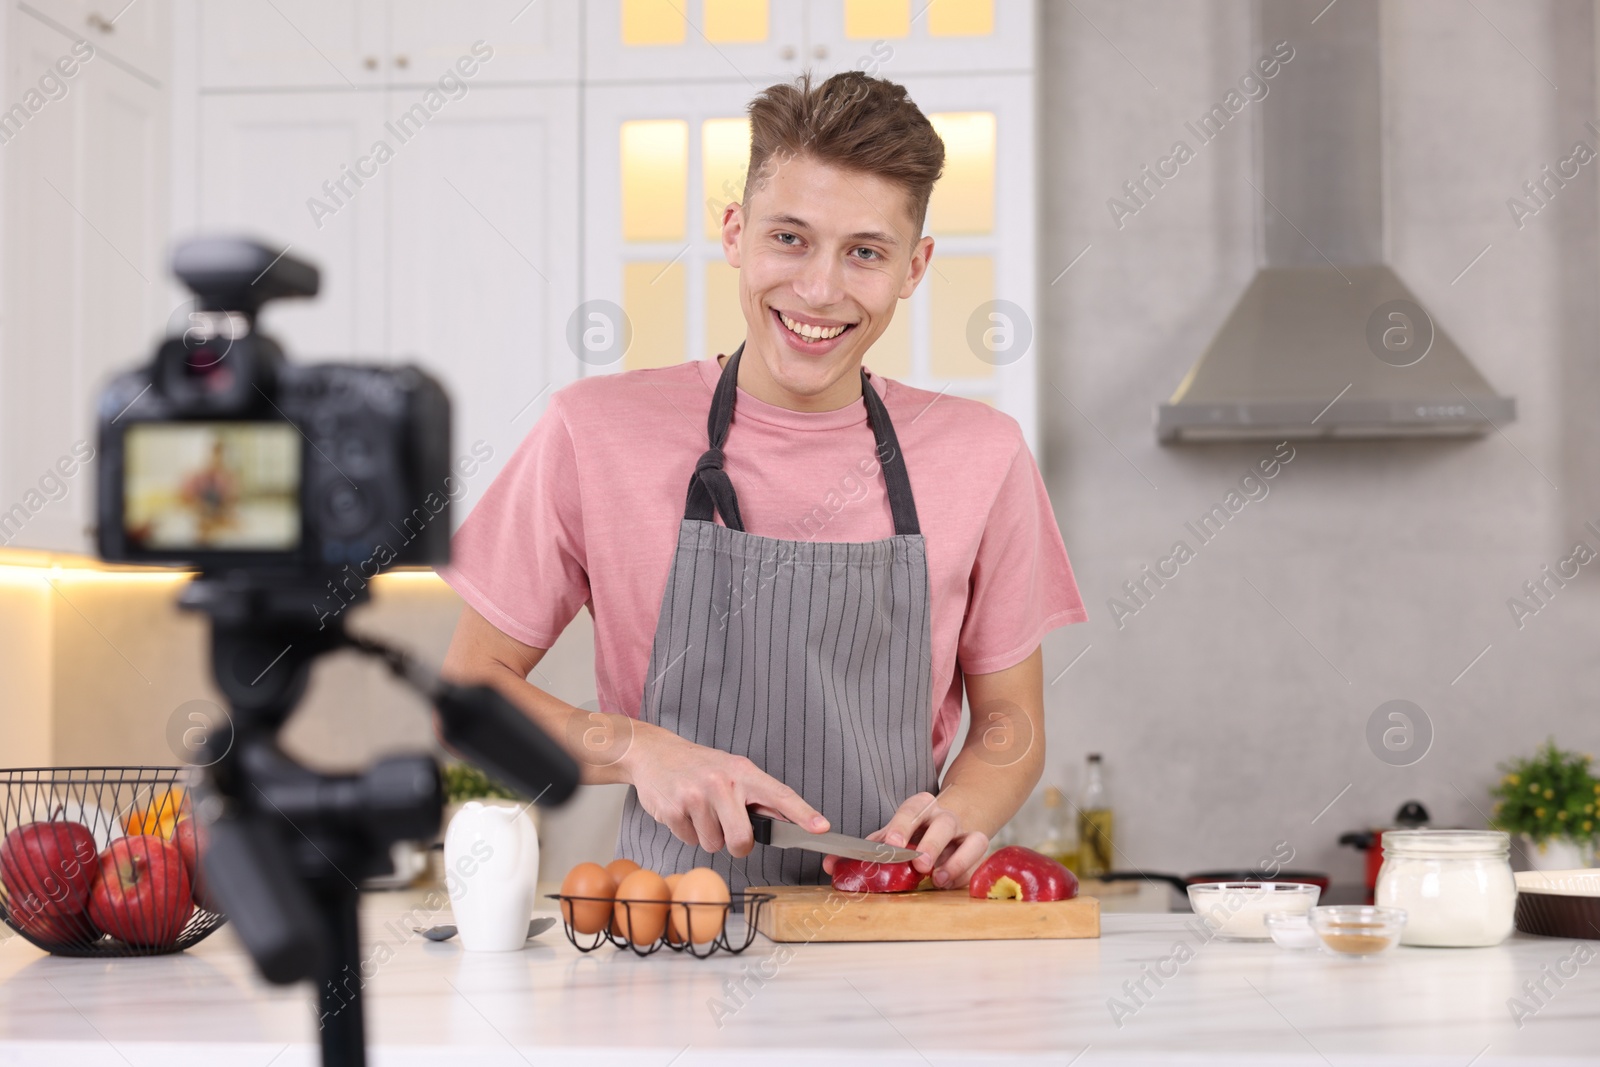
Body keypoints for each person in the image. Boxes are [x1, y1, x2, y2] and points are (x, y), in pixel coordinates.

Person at [440, 72, 1086, 893]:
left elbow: (1010, 720)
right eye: (790, 238)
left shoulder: (982, 453)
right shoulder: (593, 431)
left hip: (893, 934)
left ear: (914, 267)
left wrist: (967, 804)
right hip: (672, 933)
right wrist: (638, 748)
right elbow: (465, 697)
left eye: (865, 252)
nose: (819, 289)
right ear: (735, 232)